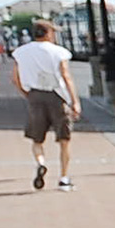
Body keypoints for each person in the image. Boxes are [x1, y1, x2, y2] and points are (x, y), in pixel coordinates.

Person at [7, 18, 78, 189]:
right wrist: (75, 101)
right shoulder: (59, 52)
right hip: (57, 95)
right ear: (48, 33)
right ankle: (64, 178)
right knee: (64, 139)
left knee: (37, 138)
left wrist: (26, 93)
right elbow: (66, 76)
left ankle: (41, 163)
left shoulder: (21, 52)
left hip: (35, 96)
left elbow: (14, 78)